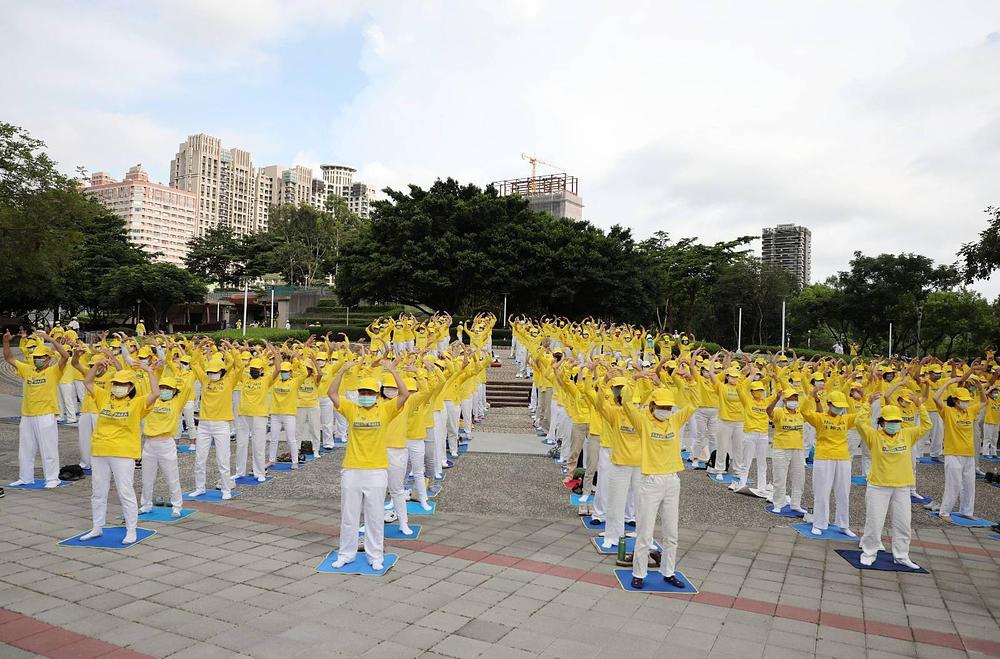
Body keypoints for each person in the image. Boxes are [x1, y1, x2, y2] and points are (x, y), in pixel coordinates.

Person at [328, 358, 409, 570]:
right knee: (349, 516)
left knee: (374, 517)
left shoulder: (385, 410)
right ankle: (346, 553)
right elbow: (332, 394)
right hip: (352, 469)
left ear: (376, 394)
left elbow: (404, 395)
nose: (365, 396)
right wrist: (342, 371)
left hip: (376, 470)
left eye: (369, 393)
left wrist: (393, 370)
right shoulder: (351, 408)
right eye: (362, 392)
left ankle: (375, 555)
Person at [623, 376, 697, 589]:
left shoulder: (675, 420)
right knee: (645, 532)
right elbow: (627, 404)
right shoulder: (643, 422)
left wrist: (685, 380)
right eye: (662, 406)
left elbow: (693, 403)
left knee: (671, 533)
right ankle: (639, 572)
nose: (666, 410)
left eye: (669, 407)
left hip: (672, 480)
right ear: (653, 406)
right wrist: (634, 380)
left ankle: (668, 571)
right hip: (651, 481)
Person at [81, 359, 158, 543]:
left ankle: (131, 529)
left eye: (123, 384)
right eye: (115, 383)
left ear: (131, 387)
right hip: (100, 451)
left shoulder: (137, 403)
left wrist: (148, 370)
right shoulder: (104, 397)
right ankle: (97, 527)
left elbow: (155, 393)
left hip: (123, 454)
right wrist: (96, 365)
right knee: (98, 491)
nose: (118, 387)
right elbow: (87, 382)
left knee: (125, 491)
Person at [855, 395, 931, 568]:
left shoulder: (907, 434)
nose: (894, 424)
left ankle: (902, 555)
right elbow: (860, 423)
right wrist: (867, 404)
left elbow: (927, 425)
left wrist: (920, 406)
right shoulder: (873, 436)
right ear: (882, 422)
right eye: (890, 421)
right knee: (874, 521)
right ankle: (869, 552)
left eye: (897, 421)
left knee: (903, 522)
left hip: (902, 486)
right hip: (878, 485)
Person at [3, 330, 70, 488]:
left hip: (46, 414)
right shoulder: (28, 370)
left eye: (41, 357)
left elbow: (65, 357)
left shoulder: (53, 371)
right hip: (27, 414)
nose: (37, 360)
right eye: (35, 357)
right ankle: (25, 477)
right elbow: (9, 358)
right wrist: (6, 342)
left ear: (48, 359)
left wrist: (50, 339)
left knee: (48, 449)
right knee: (25, 449)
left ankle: (52, 478)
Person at [188, 339, 243, 498]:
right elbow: (194, 364)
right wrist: (198, 348)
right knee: (200, 459)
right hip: (204, 424)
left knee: (223, 459)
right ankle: (200, 487)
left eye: (215, 371)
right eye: (210, 372)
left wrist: (231, 349)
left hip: (221, 425)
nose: (212, 374)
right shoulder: (205, 379)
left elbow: (239, 367)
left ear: (222, 371)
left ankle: (226, 490)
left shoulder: (229, 380)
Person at [802, 387, 858, 536]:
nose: (839, 409)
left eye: (841, 407)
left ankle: (843, 524)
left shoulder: (845, 419)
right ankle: (819, 523)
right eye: (837, 406)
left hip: (843, 458)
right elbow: (805, 412)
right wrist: (811, 396)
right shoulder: (820, 418)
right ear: (829, 404)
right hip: (824, 457)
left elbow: (863, 416)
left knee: (843, 492)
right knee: (821, 491)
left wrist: (864, 400)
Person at [935, 378, 984, 521]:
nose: (966, 402)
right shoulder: (948, 411)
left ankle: (967, 511)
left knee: (969, 483)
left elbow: (983, 402)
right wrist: (948, 383)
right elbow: (935, 397)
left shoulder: (970, 411)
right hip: (952, 453)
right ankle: (944, 512)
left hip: (969, 453)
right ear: (956, 400)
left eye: (967, 400)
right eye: (963, 400)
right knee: (954, 483)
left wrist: (980, 388)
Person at [139, 374, 187, 517]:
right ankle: (146, 504)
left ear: (174, 391)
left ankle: (177, 506)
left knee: (172, 477)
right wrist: (150, 370)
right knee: (147, 477)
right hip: (149, 444)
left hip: (166, 443)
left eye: (168, 388)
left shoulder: (177, 402)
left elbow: (187, 384)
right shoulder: (152, 400)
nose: (165, 390)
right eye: (162, 387)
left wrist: (174, 367)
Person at [235, 356, 276, 481]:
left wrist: (275, 353)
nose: (254, 371)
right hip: (243, 414)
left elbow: (278, 369)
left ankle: (259, 472)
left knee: (258, 444)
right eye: (252, 368)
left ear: (261, 369)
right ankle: (240, 471)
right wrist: (233, 350)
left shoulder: (266, 379)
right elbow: (237, 365)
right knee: (241, 444)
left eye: (256, 369)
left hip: (259, 415)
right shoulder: (245, 378)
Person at [767, 389, 807, 513]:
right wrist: (776, 399)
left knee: (799, 478)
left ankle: (796, 504)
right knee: (780, 477)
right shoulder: (779, 412)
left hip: (797, 449)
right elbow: (768, 411)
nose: (793, 401)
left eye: (795, 399)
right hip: (781, 449)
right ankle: (778, 503)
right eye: (790, 399)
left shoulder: (800, 413)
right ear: (785, 400)